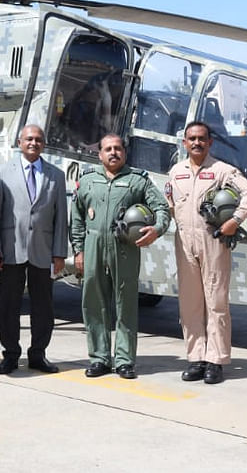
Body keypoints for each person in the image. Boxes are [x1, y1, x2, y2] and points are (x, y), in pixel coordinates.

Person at [165, 121, 247, 384]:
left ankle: (216, 360)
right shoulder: (176, 172)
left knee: (216, 302)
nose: (196, 143)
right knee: (190, 303)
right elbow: (170, 204)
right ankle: (196, 358)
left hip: (213, 241)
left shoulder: (222, 170)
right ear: (185, 143)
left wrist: (234, 221)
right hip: (184, 241)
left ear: (210, 143)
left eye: (202, 139)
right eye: (191, 139)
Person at [70, 134, 170, 379]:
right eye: (108, 149)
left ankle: (125, 360)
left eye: (117, 149)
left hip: (124, 246)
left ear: (124, 153)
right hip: (93, 246)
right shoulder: (88, 180)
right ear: (100, 154)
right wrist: (79, 250)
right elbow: (77, 217)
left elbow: (162, 208)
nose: (113, 153)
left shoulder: (138, 181)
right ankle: (99, 358)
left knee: (125, 303)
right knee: (93, 302)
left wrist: (156, 229)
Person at [0, 124, 69, 375]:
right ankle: (10, 354)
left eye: (38, 140)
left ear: (43, 144)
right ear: (19, 142)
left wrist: (59, 253)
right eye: (29, 139)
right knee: (8, 306)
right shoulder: (2, 173)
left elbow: (60, 217)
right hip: (11, 250)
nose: (33, 143)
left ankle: (38, 354)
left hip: (42, 251)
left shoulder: (55, 175)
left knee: (43, 307)